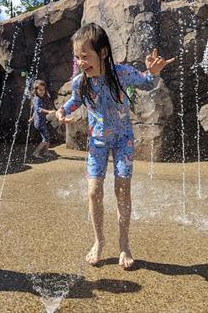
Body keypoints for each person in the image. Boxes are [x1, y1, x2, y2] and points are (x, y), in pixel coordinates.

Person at [56, 23, 174, 268]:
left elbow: (147, 82)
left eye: (85, 56)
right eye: (77, 57)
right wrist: (61, 111)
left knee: (122, 191)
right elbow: (74, 102)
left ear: (103, 53)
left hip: (123, 140)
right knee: (93, 191)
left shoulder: (121, 73)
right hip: (97, 142)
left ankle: (124, 244)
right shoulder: (80, 82)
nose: (80, 62)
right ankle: (99, 241)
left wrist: (154, 73)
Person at [28, 79, 56, 159]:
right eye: (40, 90)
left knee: (47, 137)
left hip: (41, 122)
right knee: (45, 139)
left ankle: (46, 151)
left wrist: (32, 119)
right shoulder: (37, 99)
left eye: (43, 90)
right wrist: (49, 111)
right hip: (40, 123)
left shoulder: (39, 98)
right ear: (36, 90)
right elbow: (38, 109)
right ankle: (36, 153)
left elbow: (35, 111)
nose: (42, 92)